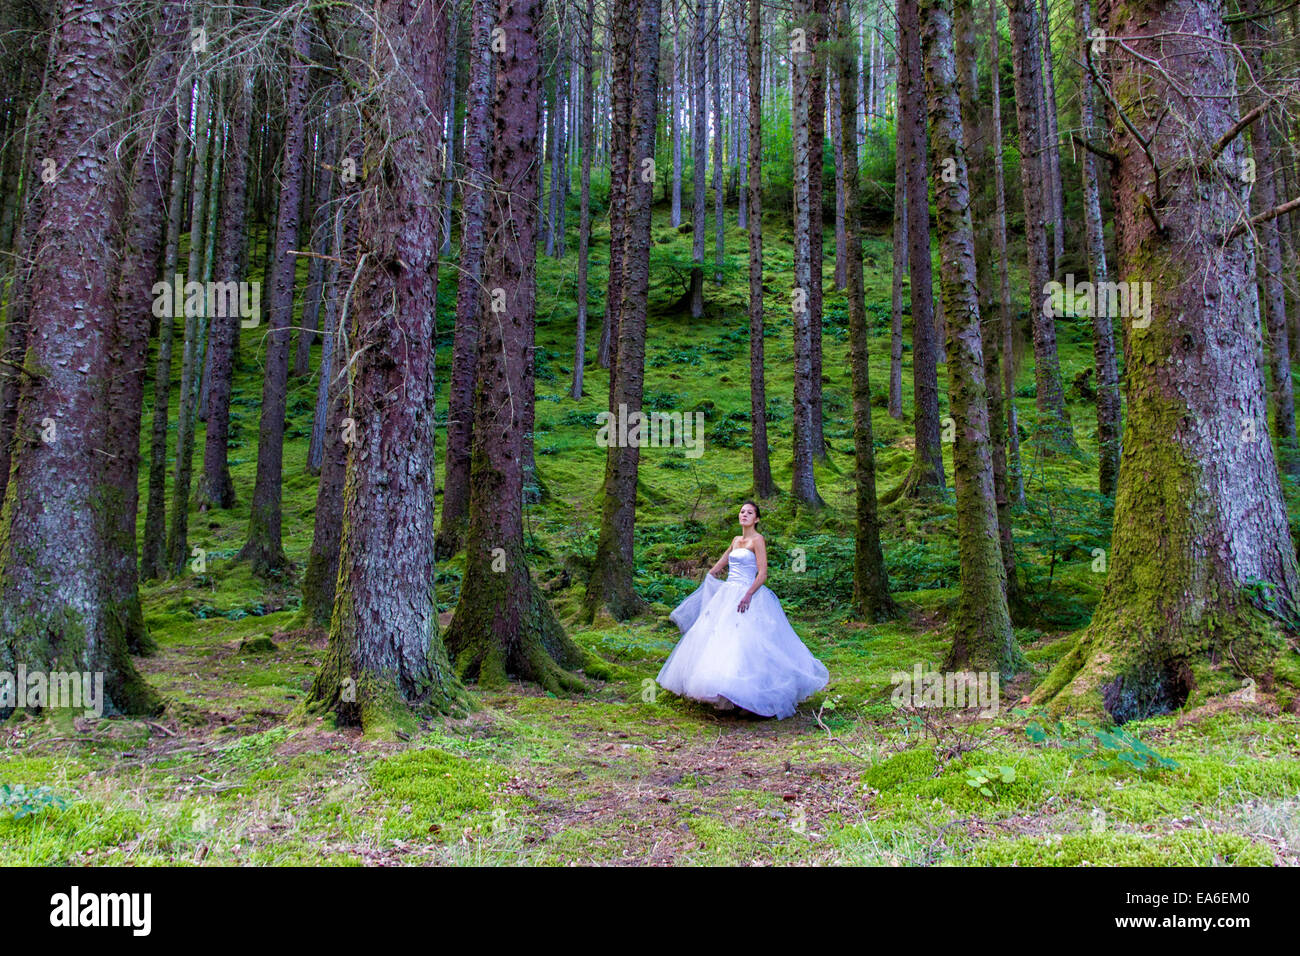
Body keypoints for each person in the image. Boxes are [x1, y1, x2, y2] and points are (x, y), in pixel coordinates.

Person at [657, 502, 829, 718]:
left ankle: (751, 700)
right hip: (728, 593)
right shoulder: (736, 540)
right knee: (724, 641)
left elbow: (762, 573)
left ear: (756, 519)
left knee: (748, 643)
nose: (744, 515)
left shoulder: (758, 540)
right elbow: (724, 560)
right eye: (742, 512)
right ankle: (728, 695)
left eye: (749, 513)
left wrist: (748, 594)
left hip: (749, 595)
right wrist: (712, 574)